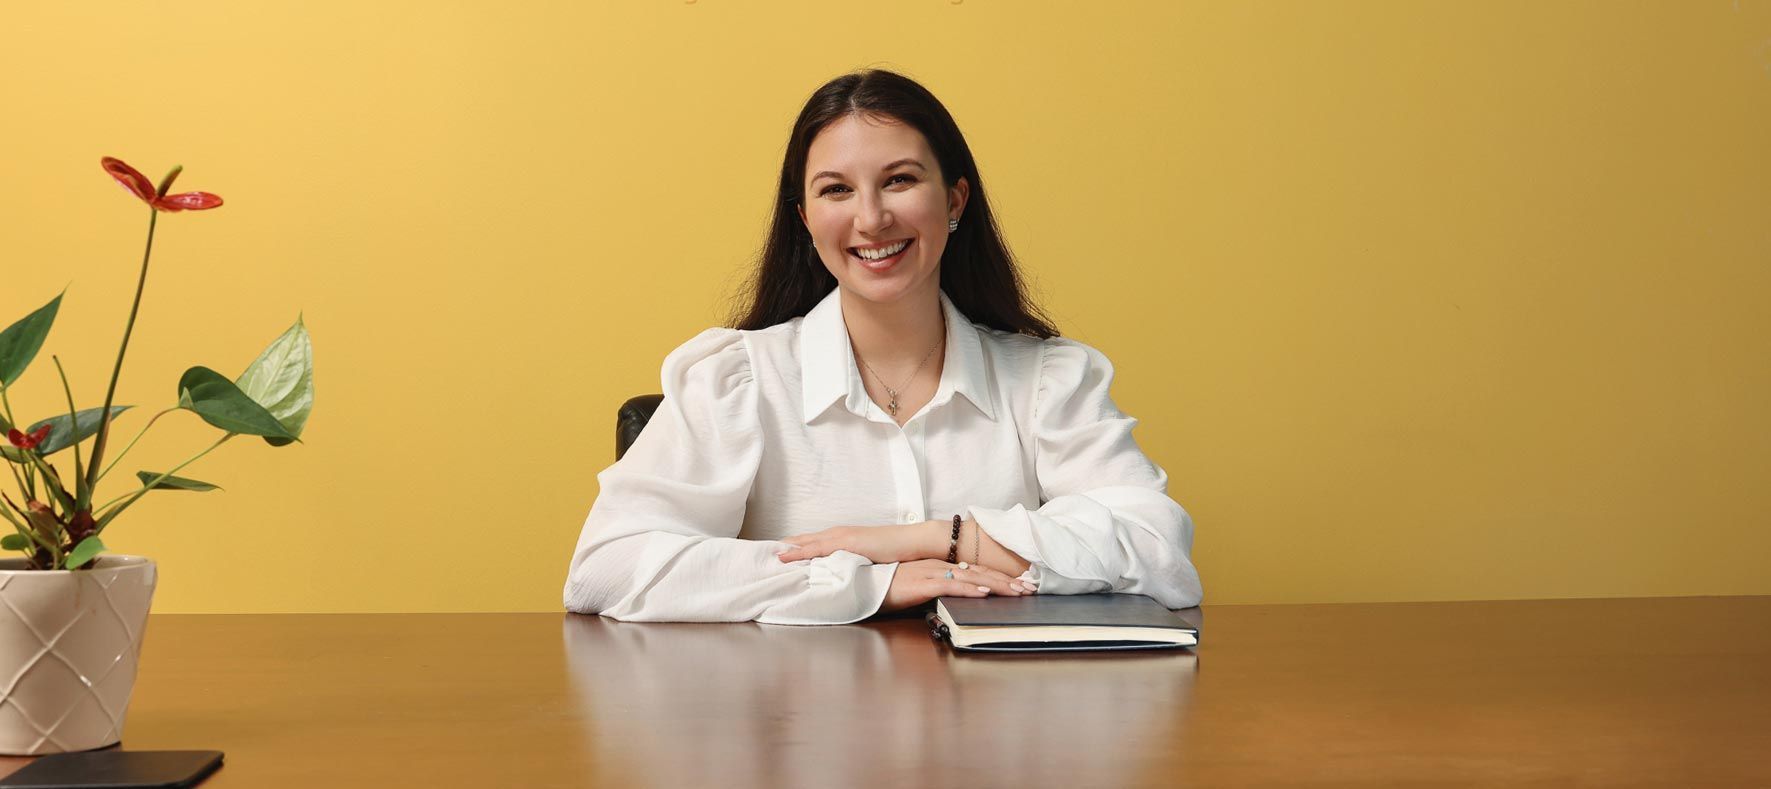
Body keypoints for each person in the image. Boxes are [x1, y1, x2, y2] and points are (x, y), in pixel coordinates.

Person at [563, 68, 1201, 624]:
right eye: (836, 190)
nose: (871, 219)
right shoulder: (738, 379)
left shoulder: (1049, 380)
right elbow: (607, 567)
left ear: (953, 199)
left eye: (899, 180)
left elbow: (1158, 548)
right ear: (806, 218)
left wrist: (936, 540)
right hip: (795, 740)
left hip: (1004, 736)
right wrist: (868, 581)